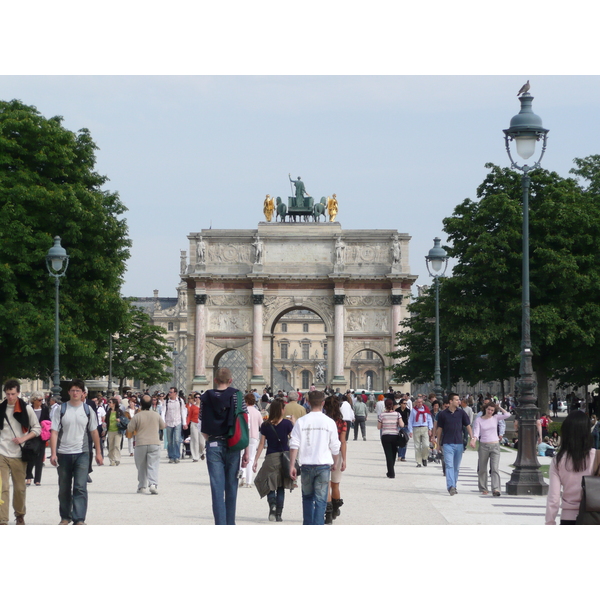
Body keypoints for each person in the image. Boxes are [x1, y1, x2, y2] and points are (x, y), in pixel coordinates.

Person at [50, 379, 103, 525]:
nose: (75, 393)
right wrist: (53, 453)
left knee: (80, 486)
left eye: (78, 391)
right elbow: (54, 432)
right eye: (73, 390)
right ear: (68, 392)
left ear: (83, 393)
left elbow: (94, 432)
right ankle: (65, 517)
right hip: (63, 452)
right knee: (64, 488)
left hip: (82, 452)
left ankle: (79, 518)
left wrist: (98, 452)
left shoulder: (88, 410)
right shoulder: (61, 410)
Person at [201, 368, 249, 525]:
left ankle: (220, 524)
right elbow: (243, 422)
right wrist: (246, 450)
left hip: (214, 443)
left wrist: (209, 439)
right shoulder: (237, 395)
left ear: (215, 380)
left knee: (216, 488)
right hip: (233, 444)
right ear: (230, 380)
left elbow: (202, 420)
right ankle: (230, 523)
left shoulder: (206, 397)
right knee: (231, 486)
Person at [289, 391, 341, 525]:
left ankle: (308, 524)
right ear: (323, 403)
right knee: (321, 499)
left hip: (306, 465)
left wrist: (291, 465)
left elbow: (294, 444)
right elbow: (335, 446)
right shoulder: (329, 422)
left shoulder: (301, 421)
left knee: (307, 498)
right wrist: (336, 462)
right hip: (323, 465)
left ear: (308, 402)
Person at [0, 379, 41, 525]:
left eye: (13, 394)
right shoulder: (1, 408)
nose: (10, 397)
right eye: (8, 394)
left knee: (19, 488)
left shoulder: (26, 409)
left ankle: (20, 514)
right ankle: (2, 519)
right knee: (2, 488)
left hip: (18, 454)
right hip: (1, 453)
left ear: (18, 393)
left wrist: (23, 438)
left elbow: (37, 429)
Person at [546, 411, 598, 524]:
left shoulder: (558, 460)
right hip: (594, 516)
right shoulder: (597, 457)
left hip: (568, 517)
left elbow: (554, 498)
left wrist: (550, 522)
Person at [253, 398, 295, 522]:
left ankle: (272, 505)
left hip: (271, 457)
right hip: (284, 458)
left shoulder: (265, 425)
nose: (285, 410)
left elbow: (261, 444)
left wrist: (255, 459)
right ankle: (279, 514)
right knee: (281, 486)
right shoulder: (287, 424)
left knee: (269, 484)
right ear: (280, 410)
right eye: (283, 408)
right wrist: (293, 423)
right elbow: (294, 440)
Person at [127, 394, 166, 494]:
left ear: (141, 404)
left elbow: (130, 428)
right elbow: (163, 426)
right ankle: (153, 484)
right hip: (154, 442)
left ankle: (142, 486)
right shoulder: (156, 414)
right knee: (153, 464)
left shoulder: (137, 416)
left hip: (141, 443)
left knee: (141, 465)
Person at [470, 402, 511, 496]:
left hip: (495, 445)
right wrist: (473, 440)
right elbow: (476, 432)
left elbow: (507, 415)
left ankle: (496, 489)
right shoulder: (479, 420)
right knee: (482, 468)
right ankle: (484, 488)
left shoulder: (495, 417)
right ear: (485, 409)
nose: (490, 411)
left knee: (495, 468)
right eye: (488, 409)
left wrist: (499, 407)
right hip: (484, 445)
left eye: (492, 410)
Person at [436, 392, 472, 496]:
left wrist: (472, 438)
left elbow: (468, 425)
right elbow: (439, 429)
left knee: (456, 467)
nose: (459, 401)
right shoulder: (443, 414)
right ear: (450, 401)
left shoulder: (461, 413)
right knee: (449, 465)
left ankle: (454, 485)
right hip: (447, 443)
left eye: (459, 399)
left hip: (459, 443)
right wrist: (438, 443)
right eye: (456, 400)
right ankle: (450, 486)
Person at [323, 396, 348, 523]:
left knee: (326, 485)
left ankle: (327, 515)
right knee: (335, 484)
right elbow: (343, 442)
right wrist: (344, 459)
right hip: (336, 453)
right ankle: (335, 510)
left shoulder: (324, 421)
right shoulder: (342, 422)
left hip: (324, 453)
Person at [26, 393, 50, 486]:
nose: (41, 402)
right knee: (30, 458)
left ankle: (37, 479)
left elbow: (48, 420)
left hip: (41, 436)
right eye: (39, 400)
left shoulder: (45, 409)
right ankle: (28, 477)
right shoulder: (29, 409)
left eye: (42, 400)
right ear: (34, 400)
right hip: (31, 435)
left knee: (40, 458)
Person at [378, 398, 404, 479]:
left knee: (388, 455)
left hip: (385, 436)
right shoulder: (397, 414)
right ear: (393, 405)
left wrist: (385, 424)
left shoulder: (382, 415)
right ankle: (391, 471)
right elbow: (402, 425)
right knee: (393, 453)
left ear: (385, 406)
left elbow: (379, 427)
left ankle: (391, 472)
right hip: (395, 436)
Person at [241, 393, 263, 488]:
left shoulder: (243, 411)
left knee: (242, 456)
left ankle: (243, 476)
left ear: (246, 401)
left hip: (243, 436)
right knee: (251, 458)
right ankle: (249, 482)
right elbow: (262, 426)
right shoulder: (257, 412)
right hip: (254, 436)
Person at [407, 396, 433, 467]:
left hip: (425, 428)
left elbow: (429, 419)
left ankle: (424, 458)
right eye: (418, 402)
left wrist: (430, 429)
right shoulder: (413, 410)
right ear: (416, 403)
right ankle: (418, 462)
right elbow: (410, 420)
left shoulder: (426, 409)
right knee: (417, 446)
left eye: (421, 402)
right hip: (416, 428)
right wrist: (410, 431)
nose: (419, 403)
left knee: (426, 445)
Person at [163, 386, 187, 464]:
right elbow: (163, 412)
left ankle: (176, 456)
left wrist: (184, 423)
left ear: (175, 393)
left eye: (171, 392)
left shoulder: (180, 401)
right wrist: (163, 422)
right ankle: (171, 456)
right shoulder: (166, 402)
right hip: (169, 422)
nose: (169, 393)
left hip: (177, 421)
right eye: (169, 392)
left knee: (177, 440)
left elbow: (183, 412)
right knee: (169, 441)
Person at [105, 397, 124, 466]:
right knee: (111, 446)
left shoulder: (119, 411)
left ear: (114, 403)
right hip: (110, 431)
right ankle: (111, 460)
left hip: (118, 431)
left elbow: (124, 419)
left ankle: (117, 459)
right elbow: (106, 422)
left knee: (117, 445)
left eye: (110, 402)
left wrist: (120, 420)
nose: (108, 404)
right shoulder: (108, 412)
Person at [187, 393, 205, 462]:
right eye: (196, 397)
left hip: (202, 424)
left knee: (202, 442)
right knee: (195, 440)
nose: (197, 398)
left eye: (198, 397)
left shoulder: (204, 406)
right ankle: (195, 456)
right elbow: (189, 415)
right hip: (194, 423)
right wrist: (187, 424)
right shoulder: (192, 407)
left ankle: (201, 452)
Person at [396, 397, 411, 462]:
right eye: (404, 403)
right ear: (401, 404)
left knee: (405, 441)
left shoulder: (408, 411)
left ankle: (403, 456)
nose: (405, 405)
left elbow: (410, 419)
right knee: (399, 441)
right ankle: (399, 455)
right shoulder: (397, 410)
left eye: (406, 403)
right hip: (399, 427)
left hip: (406, 427)